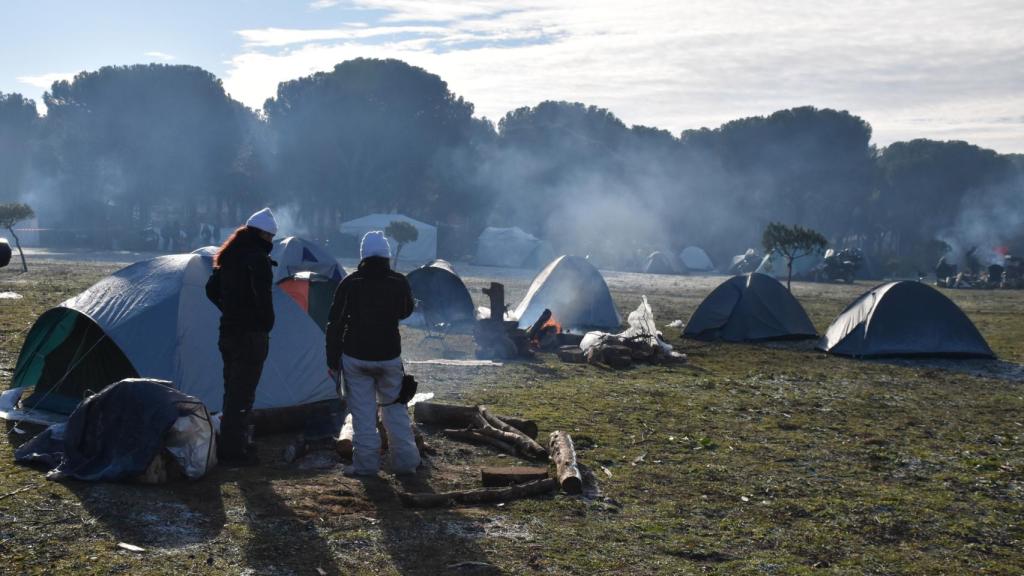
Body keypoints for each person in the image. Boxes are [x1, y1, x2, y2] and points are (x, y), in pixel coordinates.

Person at [326, 231, 419, 476]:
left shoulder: (350, 282)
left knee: (363, 415)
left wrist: (332, 359)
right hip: (389, 355)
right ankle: (406, 463)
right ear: (387, 256)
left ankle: (366, 466)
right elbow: (406, 311)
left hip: (356, 356)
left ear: (363, 256)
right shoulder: (399, 281)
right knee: (395, 410)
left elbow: (335, 323)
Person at [205, 207, 278, 465]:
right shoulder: (258, 260)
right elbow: (263, 298)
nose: (271, 241)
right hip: (251, 335)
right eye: (270, 237)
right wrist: (265, 323)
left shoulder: (228, 256)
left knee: (231, 389)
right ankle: (234, 451)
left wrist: (229, 309)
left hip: (228, 331)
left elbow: (211, 289)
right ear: (262, 235)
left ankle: (231, 442)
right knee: (243, 394)